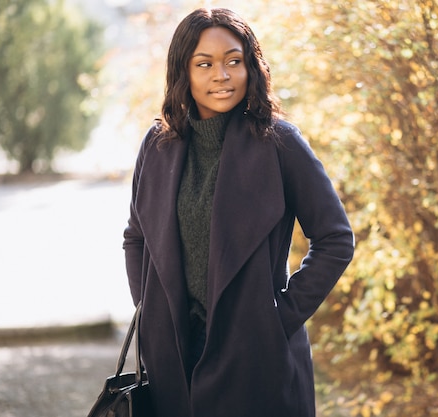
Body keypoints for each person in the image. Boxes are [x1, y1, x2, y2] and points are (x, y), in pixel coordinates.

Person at [123, 7, 354, 417]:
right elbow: (136, 237)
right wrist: (152, 313)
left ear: (251, 66)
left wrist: (278, 318)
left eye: (234, 61)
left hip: (256, 358)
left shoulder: (279, 142)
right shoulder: (157, 145)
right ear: (183, 71)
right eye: (204, 64)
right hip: (174, 358)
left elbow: (335, 238)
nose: (221, 75)